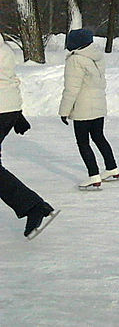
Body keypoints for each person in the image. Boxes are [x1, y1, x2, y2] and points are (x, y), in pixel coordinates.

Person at [0, 36, 59, 239]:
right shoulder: (3, 47)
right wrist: (16, 113)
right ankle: (33, 205)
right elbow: (9, 79)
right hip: (7, 109)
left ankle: (33, 206)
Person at [59, 28, 119, 190]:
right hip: (99, 105)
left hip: (83, 108)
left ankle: (93, 175)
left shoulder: (75, 60)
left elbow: (71, 88)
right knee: (99, 137)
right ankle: (112, 168)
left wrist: (64, 111)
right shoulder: (96, 57)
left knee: (83, 142)